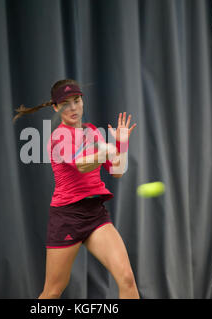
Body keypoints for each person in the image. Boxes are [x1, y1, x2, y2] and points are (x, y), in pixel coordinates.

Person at [13, 79, 138, 299]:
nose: (73, 107)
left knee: (127, 279)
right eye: (66, 103)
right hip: (67, 217)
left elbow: (117, 171)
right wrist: (105, 150)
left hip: (95, 214)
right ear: (55, 107)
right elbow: (82, 164)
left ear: (82, 101)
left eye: (77, 101)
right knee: (53, 291)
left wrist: (121, 144)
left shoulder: (92, 132)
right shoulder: (58, 138)